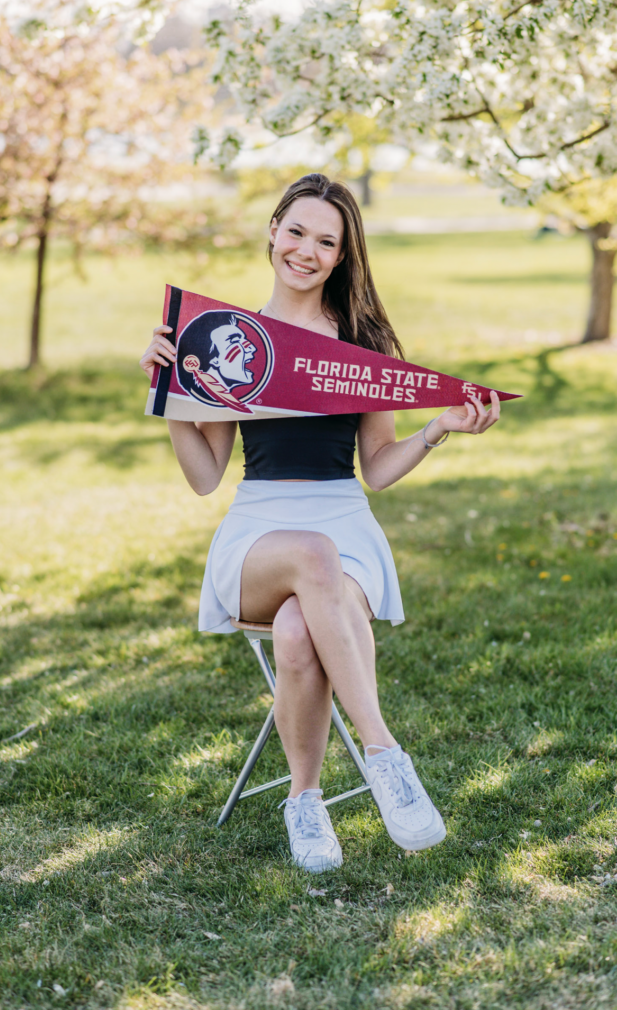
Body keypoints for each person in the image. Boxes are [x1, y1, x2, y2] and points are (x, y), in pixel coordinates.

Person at [140, 173, 500, 874]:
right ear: (273, 230)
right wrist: (168, 396)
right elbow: (205, 475)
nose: (307, 250)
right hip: (259, 536)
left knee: (300, 625)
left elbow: (379, 467)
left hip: (346, 526)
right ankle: (385, 755)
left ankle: (305, 803)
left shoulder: (361, 344)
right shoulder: (225, 338)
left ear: (341, 256)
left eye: (326, 241)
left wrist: (440, 429)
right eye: (297, 231)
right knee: (310, 554)